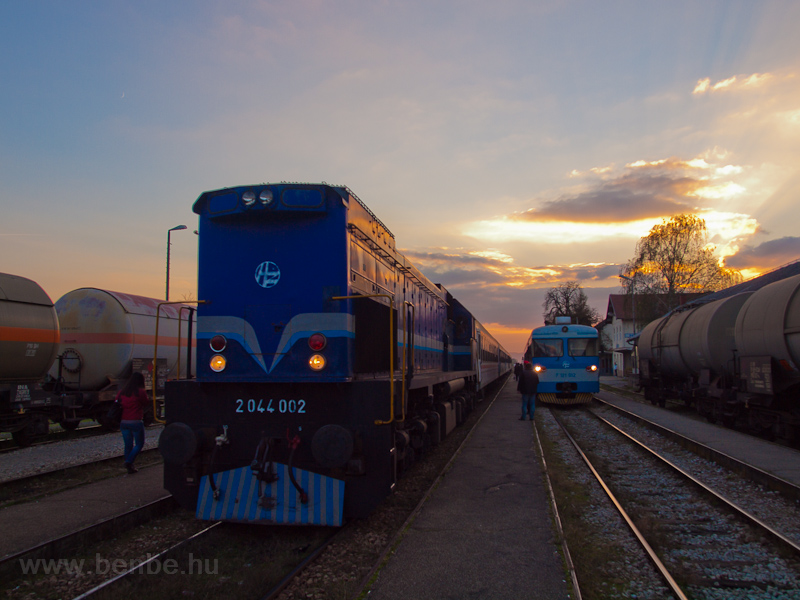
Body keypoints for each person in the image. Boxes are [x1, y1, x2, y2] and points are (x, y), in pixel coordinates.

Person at [117, 372, 148, 474]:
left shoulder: (122, 392)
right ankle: (129, 462)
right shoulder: (140, 392)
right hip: (136, 421)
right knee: (139, 444)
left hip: (124, 422)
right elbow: (146, 403)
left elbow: (117, 403)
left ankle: (129, 467)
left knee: (128, 445)